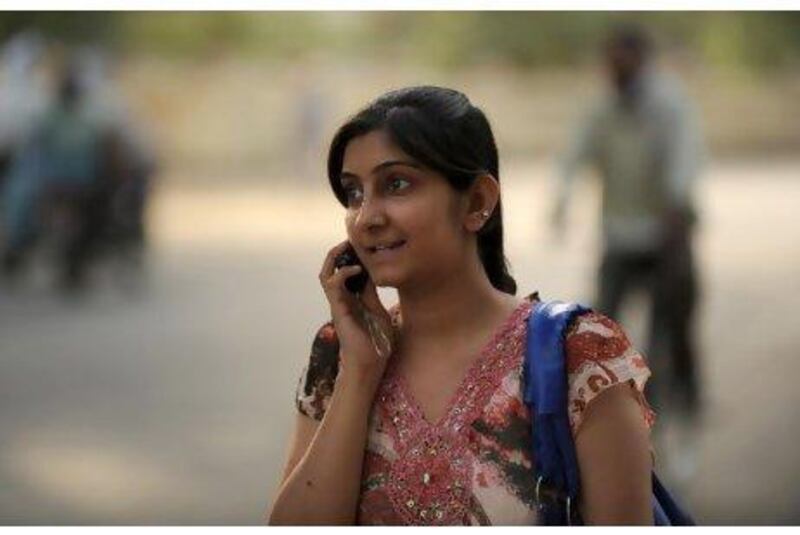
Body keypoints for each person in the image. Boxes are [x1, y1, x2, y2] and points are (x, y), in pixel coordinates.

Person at [269, 86, 655, 525]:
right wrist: (359, 372)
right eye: (354, 193)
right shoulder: (337, 356)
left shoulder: (578, 358)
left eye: (396, 184)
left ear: (476, 203)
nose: (366, 218)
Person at [551, 26, 703, 416]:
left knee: (672, 321)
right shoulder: (602, 107)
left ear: (641, 61)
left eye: (623, 64)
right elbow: (576, 152)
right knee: (604, 323)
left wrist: (675, 199)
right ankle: (610, 400)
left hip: (665, 234)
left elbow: (685, 156)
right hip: (620, 235)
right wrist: (562, 199)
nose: (615, 72)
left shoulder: (669, 104)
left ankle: (681, 395)